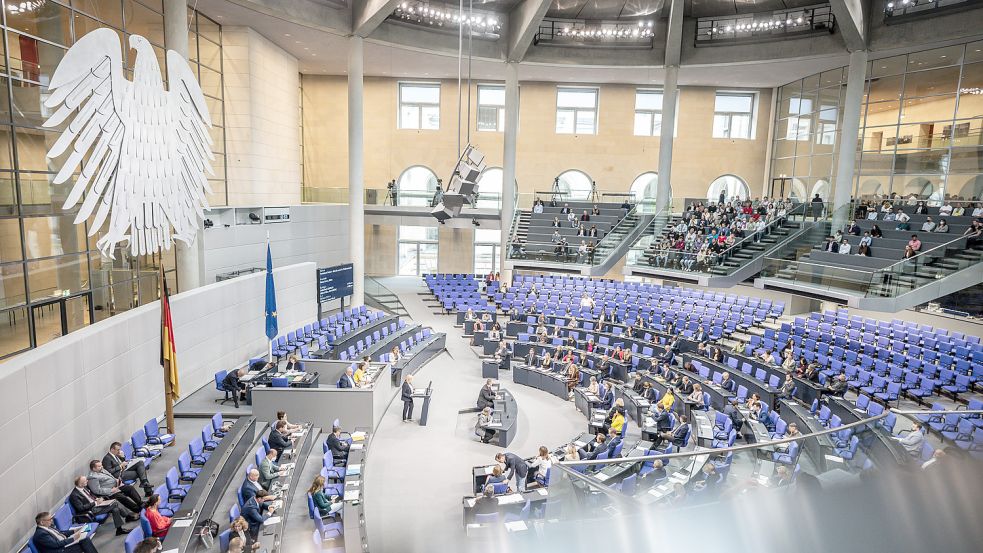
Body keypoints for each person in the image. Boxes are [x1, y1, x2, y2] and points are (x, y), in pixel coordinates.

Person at [33, 511, 99, 553]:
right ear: (42, 522)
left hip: (64, 545)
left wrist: (74, 531)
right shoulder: (40, 534)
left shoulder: (48, 527)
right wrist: (73, 538)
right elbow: (56, 544)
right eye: (49, 519)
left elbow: (61, 533)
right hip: (59, 550)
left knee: (85, 540)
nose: (51, 521)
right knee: (85, 542)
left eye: (51, 518)